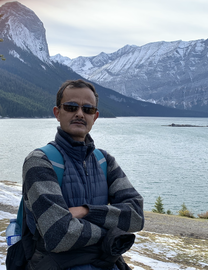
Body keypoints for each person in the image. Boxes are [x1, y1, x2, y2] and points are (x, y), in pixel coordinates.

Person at [22, 79, 144, 270]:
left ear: (94, 117)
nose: (79, 113)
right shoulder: (40, 161)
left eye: (87, 109)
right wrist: (113, 233)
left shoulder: (104, 160)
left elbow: (136, 215)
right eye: (71, 107)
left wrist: (86, 211)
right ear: (57, 113)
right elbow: (59, 234)